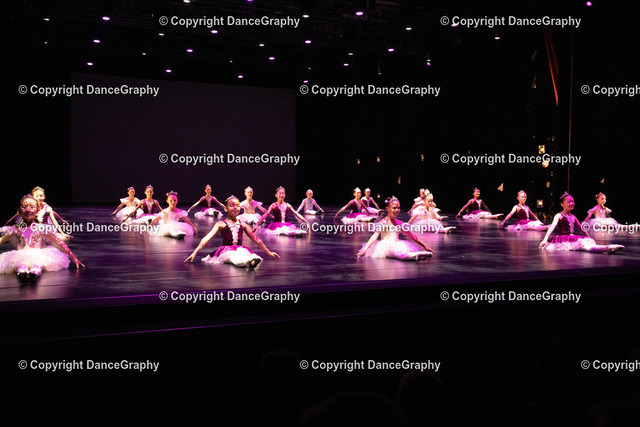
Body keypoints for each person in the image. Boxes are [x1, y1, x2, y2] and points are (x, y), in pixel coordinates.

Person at [0, 195, 83, 280]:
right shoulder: (15, 229)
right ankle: (22, 273)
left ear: (37, 211)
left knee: (36, 265)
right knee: (22, 266)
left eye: (32, 207)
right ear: (19, 210)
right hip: (20, 256)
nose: (28, 210)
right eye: (24, 207)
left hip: (38, 255)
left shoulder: (41, 228)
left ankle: (34, 273)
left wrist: (74, 259)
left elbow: (59, 243)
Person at [185, 196, 279, 268]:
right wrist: (195, 252)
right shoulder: (221, 224)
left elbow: (256, 239)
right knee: (232, 257)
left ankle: (250, 261)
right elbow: (207, 238)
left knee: (243, 254)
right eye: (231, 205)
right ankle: (247, 262)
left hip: (240, 249)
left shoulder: (243, 224)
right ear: (226, 208)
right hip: (226, 250)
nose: (235, 208)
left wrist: (268, 252)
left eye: (237, 206)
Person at [539, 192, 623, 253]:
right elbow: (552, 226)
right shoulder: (559, 215)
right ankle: (606, 248)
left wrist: (589, 238)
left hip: (572, 237)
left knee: (585, 245)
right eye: (569, 202)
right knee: (585, 247)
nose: (572, 203)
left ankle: (606, 248)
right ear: (562, 204)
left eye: (572, 201)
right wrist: (545, 239)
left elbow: (581, 229)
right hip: (563, 240)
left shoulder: (573, 216)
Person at [357, 196, 434, 261]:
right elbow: (374, 236)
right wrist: (365, 249)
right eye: (394, 208)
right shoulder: (383, 222)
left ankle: (414, 256)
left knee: (400, 252)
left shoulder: (399, 223)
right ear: (387, 208)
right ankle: (415, 256)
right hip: (385, 246)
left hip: (397, 244)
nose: (397, 210)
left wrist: (424, 246)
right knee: (399, 255)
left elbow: (411, 236)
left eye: (398, 208)